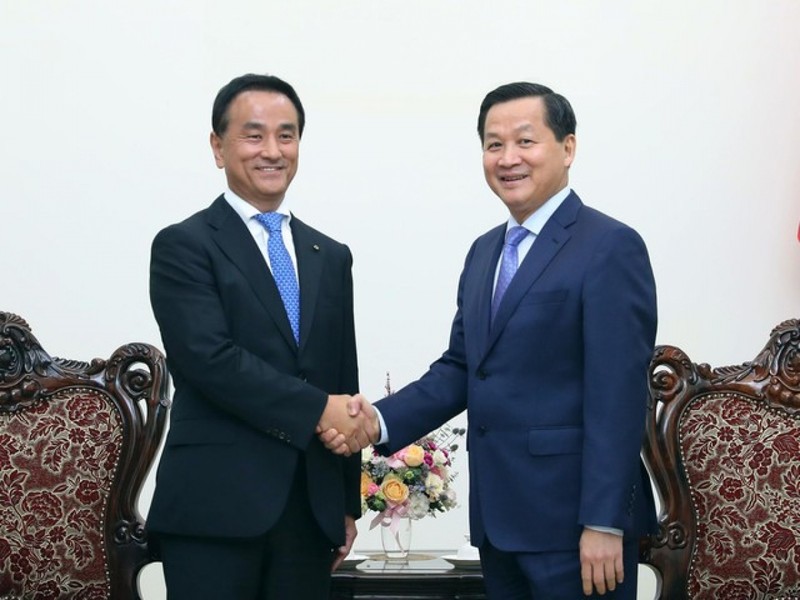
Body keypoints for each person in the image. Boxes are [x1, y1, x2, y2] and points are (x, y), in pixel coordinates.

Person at [324, 82, 658, 599]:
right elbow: (461, 368)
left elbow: (618, 396)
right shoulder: (485, 253)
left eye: (526, 141)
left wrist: (605, 523)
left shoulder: (609, 246)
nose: (508, 158)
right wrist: (378, 421)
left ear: (568, 148)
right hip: (500, 525)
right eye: (493, 144)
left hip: (576, 529)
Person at [147, 73, 371, 599]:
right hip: (214, 510)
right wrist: (320, 408)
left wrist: (344, 502)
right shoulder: (185, 245)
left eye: (286, 135)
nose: (272, 150)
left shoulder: (330, 255)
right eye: (254, 135)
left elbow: (343, 374)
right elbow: (209, 360)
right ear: (217, 146)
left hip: (309, 511)